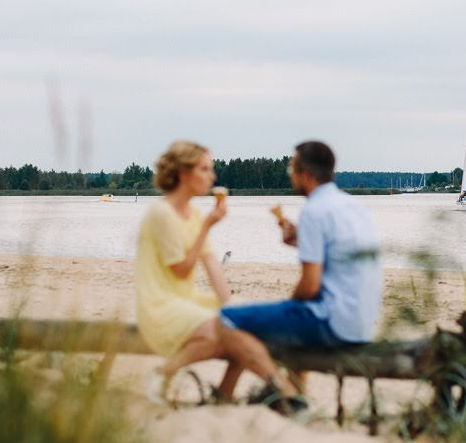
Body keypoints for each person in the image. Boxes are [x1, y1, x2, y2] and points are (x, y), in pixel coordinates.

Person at [218, 140, 383, 408]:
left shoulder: (314, 211)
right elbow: (340, 253)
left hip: (334, 322)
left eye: (291, 170)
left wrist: (288, 308)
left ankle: (284, 395)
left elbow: (309, 285)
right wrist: (302, 239)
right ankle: (276, 394)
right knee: (285, 320)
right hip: (362, 321)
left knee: (228, 319)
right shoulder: (353, 206)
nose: (290, 176)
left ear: (305, 174)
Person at [135, 140, 241, 404]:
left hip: (186, 298)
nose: (212, 176)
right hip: (160, 303)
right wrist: (206, 227)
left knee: (241, 325)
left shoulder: (193, 213)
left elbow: (212, 263)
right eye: (205, 169)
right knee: (215, 334)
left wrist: (229, 306)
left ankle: (224, 395)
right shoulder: (162, 214)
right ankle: (163, 373)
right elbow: (181, 270)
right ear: (183, 174)